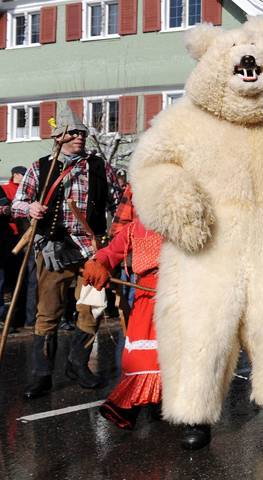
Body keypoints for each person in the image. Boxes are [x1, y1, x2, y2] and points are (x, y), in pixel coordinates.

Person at [12, 109, 119, 399]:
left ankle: (78, 364)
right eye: (72, 133)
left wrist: (116, 240)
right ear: (57, 137)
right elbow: (18, 203)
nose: (78, 138)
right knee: (47, 313)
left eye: (81, 133)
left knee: (91, 308)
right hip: (53, 249)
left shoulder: (99, 166)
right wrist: (31, 208)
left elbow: (119, 204)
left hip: (91, 251)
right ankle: (42, 375)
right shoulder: (41, 167)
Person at [83, 209, 162, 430]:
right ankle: (135, 402)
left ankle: (190, 417)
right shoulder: (137, 227)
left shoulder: (191, 224)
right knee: (141, 356)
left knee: (179, 355)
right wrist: (98, 261)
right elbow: (113, 250)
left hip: (182, 295)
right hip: (146, 297)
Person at [0, 166, 28, 331]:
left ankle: (7, 318)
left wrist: (6, 209)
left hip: (13, 240)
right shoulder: (6, 188)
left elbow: (5, 207)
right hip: (9, 238)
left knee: (6, 281)